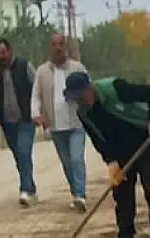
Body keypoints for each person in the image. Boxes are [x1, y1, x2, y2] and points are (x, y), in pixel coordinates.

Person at [63, 71, 150, 238]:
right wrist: (111, 162)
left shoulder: (116, 89)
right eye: (76, 99)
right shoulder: (83, 113)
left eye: (81, 96)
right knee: (122, 196)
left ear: (89, 88)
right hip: (118, 150)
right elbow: (98, 138)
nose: (80, 101)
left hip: (143, 139)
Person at [32, 33, 89, 212]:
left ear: (65, 46)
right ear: (50, 47)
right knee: (66, 162)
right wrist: (37, 115)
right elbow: (36, 96)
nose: (58, 48)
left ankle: (80, 194)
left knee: (76, 158)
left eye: (61, 44)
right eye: (54, 44)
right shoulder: (42, 72)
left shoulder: (77, 68)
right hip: (56, 126)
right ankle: (75, 193)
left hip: (76, 123)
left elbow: (90, 91)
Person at [0, 38, 38, 206]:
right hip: (7, 122)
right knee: (19, 157)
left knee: (23, 152)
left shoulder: (24, 66)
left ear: (10, 51)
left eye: (3, 53)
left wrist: (39, 112)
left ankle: (25, 190)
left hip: (25, 120)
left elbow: (37, 89)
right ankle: (31, 188)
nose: (1, 57)